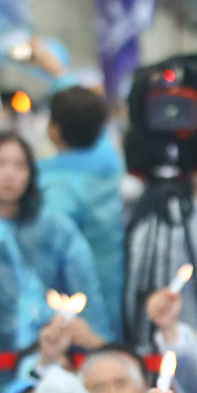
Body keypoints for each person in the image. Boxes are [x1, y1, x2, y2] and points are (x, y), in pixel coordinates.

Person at [0, 133, 103, 363]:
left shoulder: (56, 229)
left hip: (59, 354)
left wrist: (94, 340)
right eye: (0, 163)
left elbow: (85, 290)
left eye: (19, 165)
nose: (9, 174)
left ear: (31, 174)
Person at [36, 87, 126, 342]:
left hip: (77, 310)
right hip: (114, 292)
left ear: (54, 130)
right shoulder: (110, 166)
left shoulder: (56, 189)